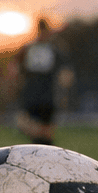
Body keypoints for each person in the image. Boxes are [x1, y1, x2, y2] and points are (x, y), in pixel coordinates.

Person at [14, 17, 75, 145]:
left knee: (35, 131)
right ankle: (44, 146)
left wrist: (17, 85)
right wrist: (64, 93)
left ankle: (41, 146)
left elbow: (14, 70)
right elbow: (66, 76)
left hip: (34, 96)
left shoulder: (28, 49)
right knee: (43, 133)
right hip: (46, 97)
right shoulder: (55, 49)